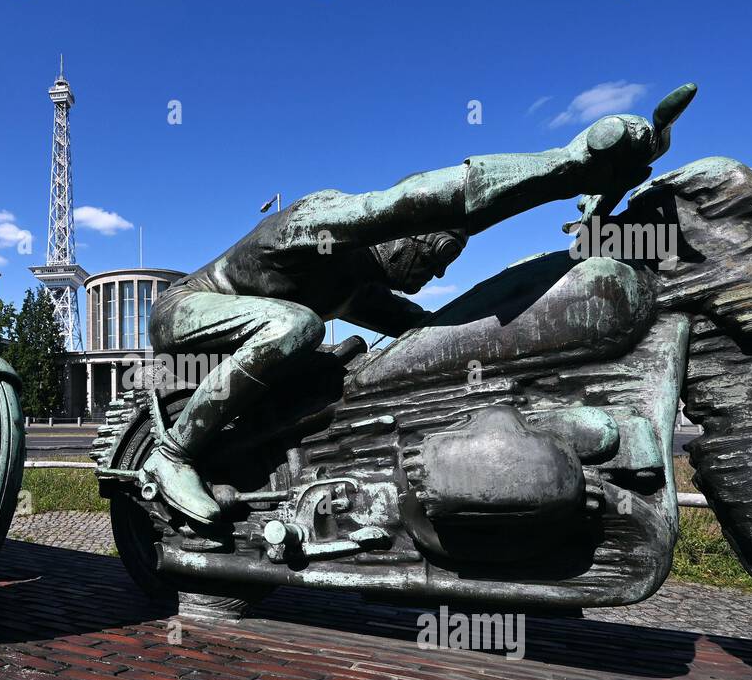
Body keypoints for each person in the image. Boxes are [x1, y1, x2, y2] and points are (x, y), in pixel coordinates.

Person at [145, 111, 661, 523]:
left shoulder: (360, 290)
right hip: (184, 310)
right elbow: (412, 200)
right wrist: (566, 165)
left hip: (255, 327)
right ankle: (172, 454)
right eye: (431, 256)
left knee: (351, 367)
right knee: (299, 326)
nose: (431, 274)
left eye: (443, 267)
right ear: (401, 233)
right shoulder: (319, 218)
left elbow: (431, 332)